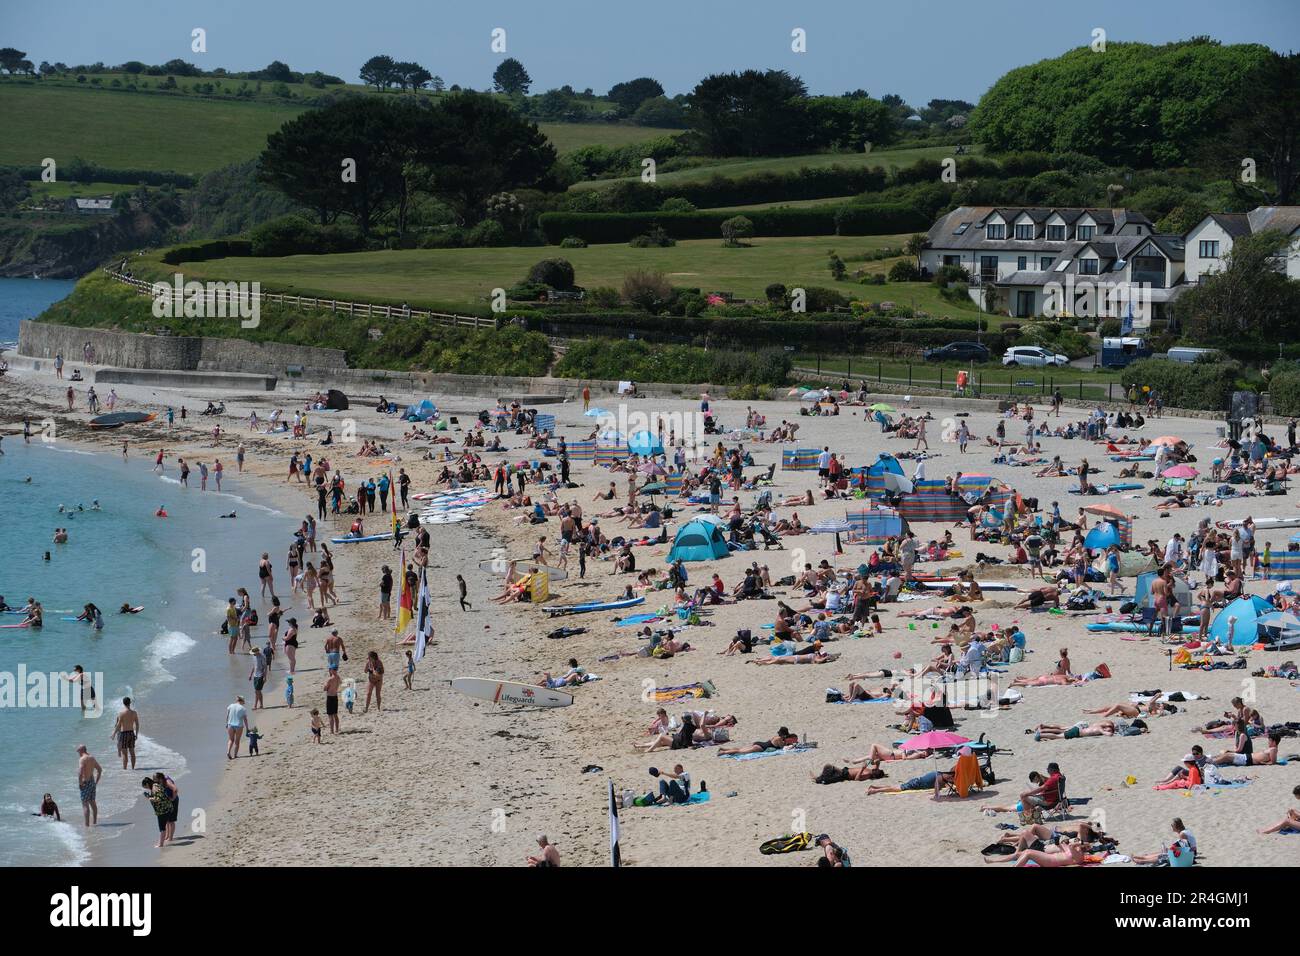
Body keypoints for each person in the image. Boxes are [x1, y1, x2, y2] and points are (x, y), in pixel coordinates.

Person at [76, 745, 103, 826]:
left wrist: (80, 783)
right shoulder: (92, 758)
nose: (78, 754)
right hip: (92, 782)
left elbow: (80, 773)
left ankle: (87, 825)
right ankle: (94, 822)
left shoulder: (82, 759)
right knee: (93, 802)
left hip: (85, 782)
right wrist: (96, 782)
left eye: (78, 752)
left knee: (85, 804)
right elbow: (100, 770)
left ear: (81, 751)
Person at [111, 697, 140, 770]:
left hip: (124, 734)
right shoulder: (134, 713)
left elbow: (118, 725)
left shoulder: (122, 713)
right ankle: (133, 768)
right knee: (132, 752)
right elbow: (137, 724)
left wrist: (114, 734)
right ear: (130, 703)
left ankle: (125, 770)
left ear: (123, 703)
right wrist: (136, 734)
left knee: (124, 754)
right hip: (131, 733)